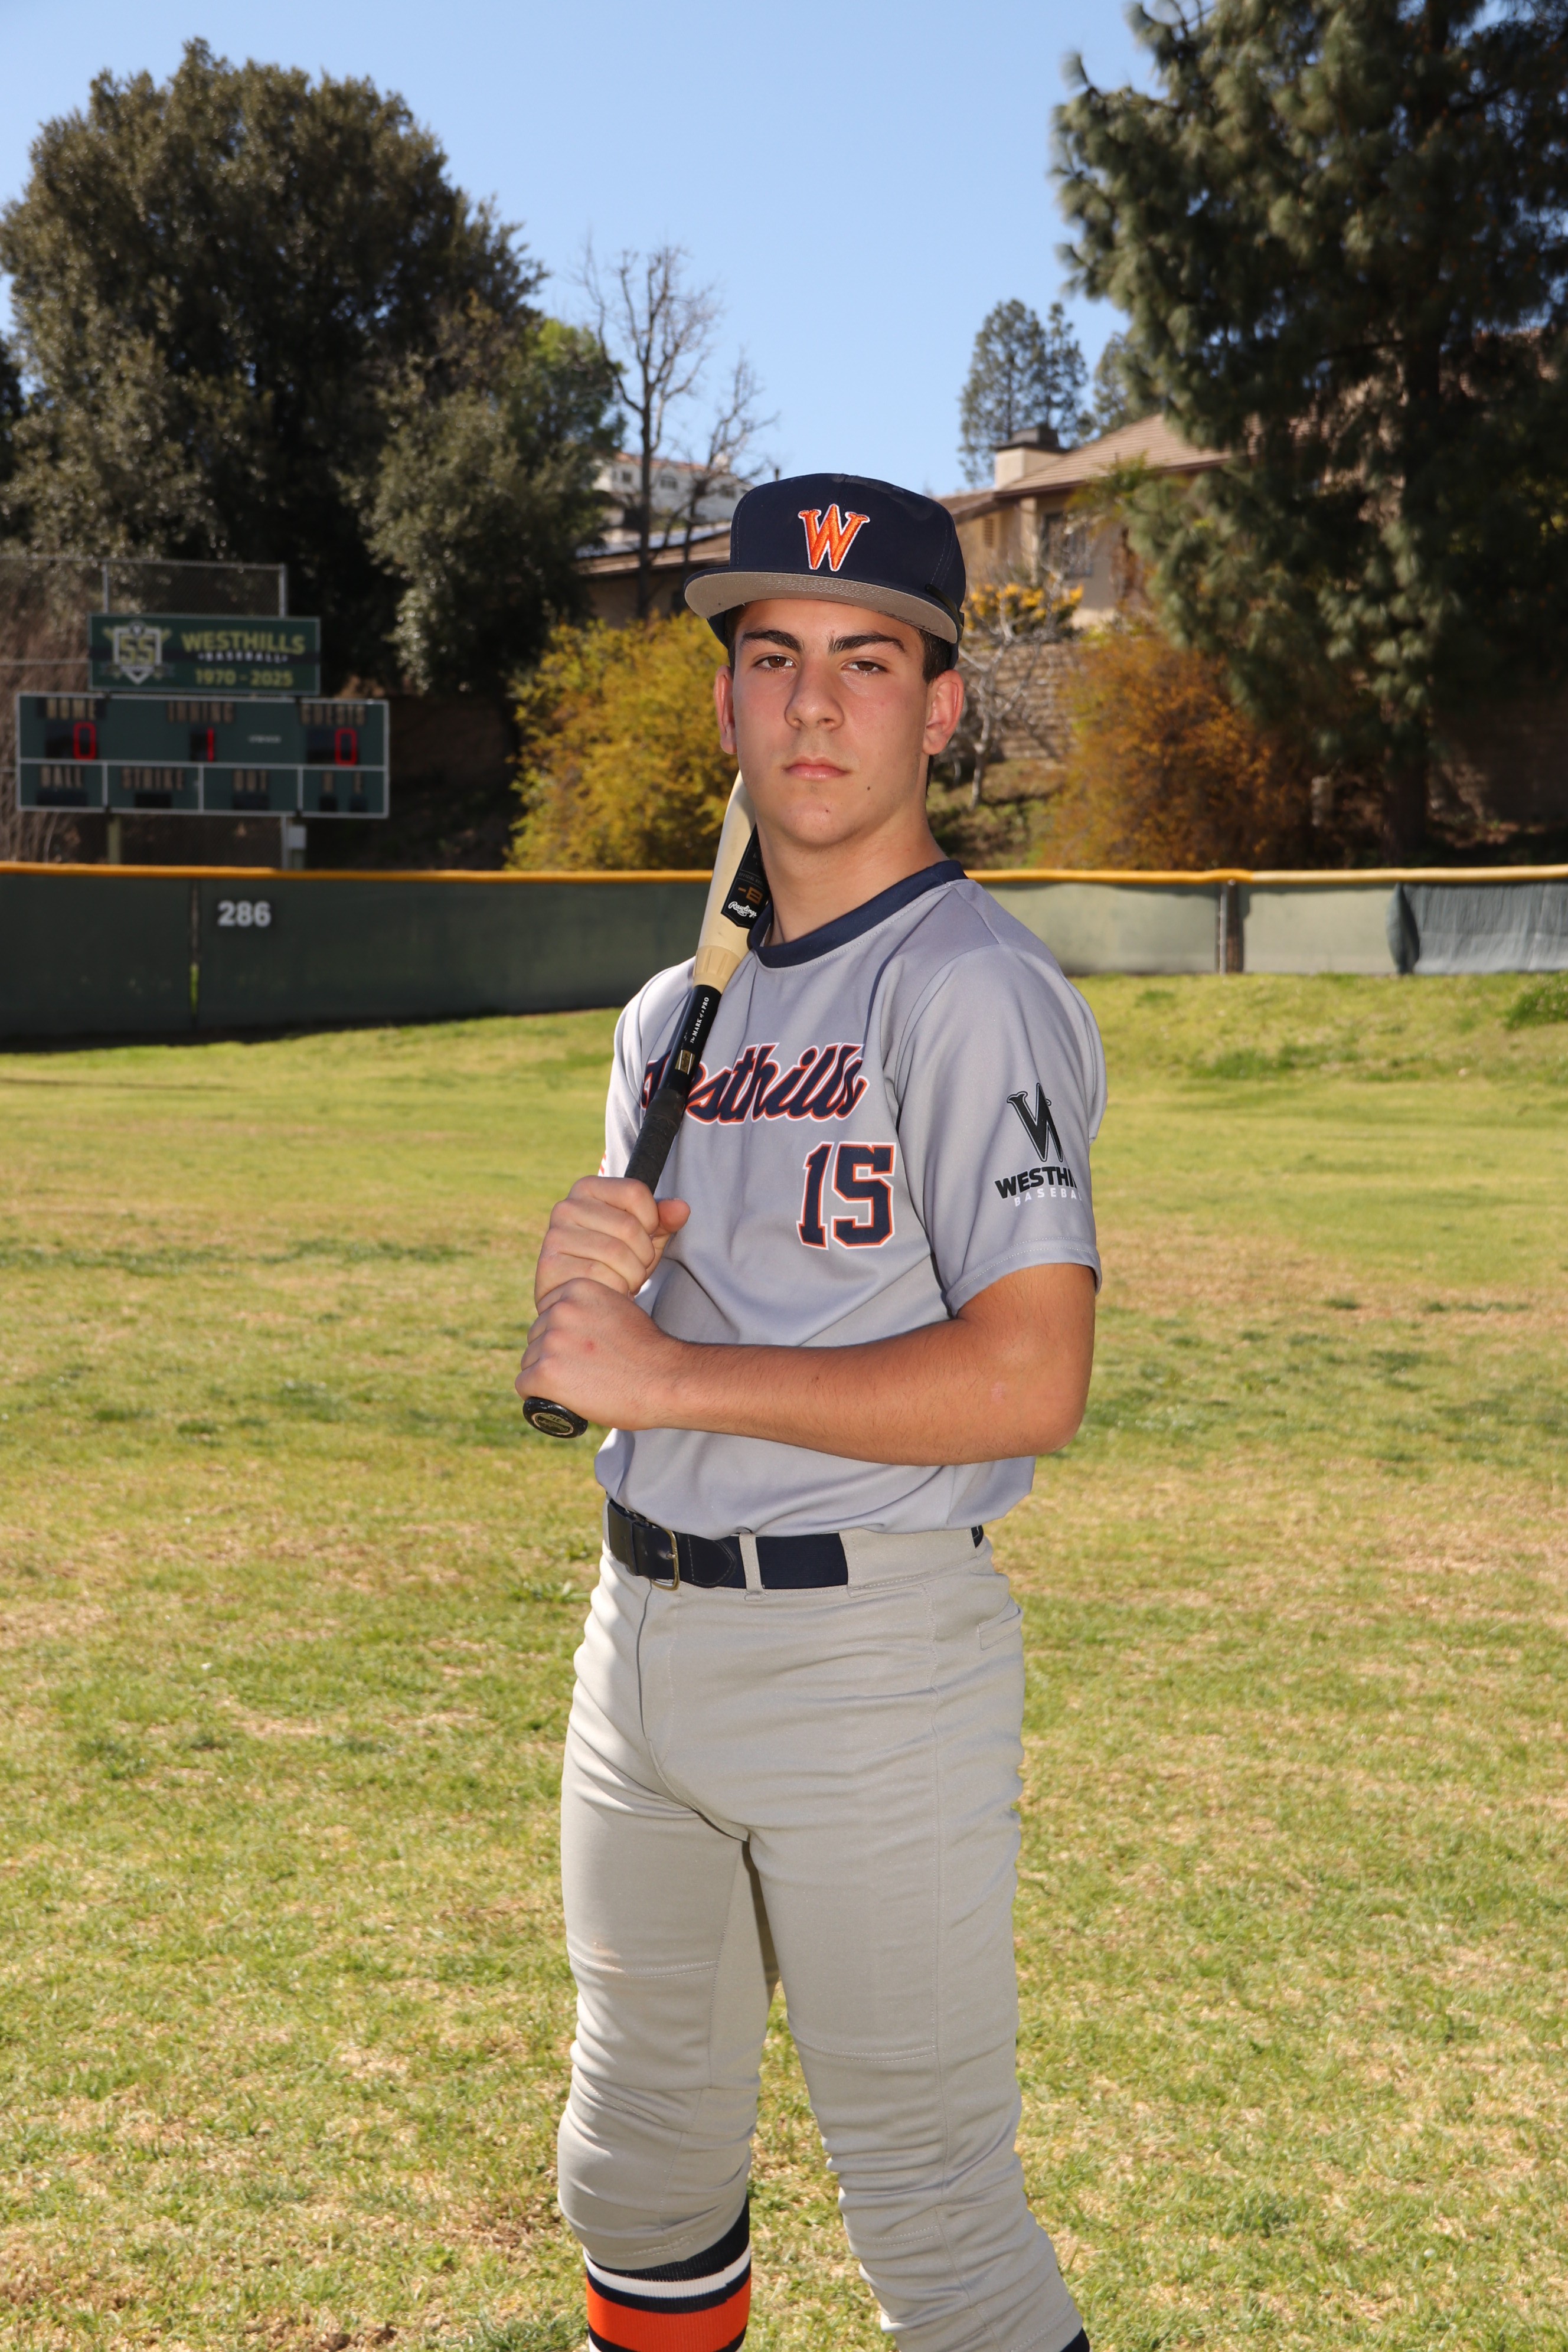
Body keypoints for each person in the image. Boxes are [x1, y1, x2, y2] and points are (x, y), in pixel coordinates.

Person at [518, 473, 1105, 2352]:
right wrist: (593, 1287)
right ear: (726, 703)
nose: (816, 704)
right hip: (640, 1644)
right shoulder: (667, 1019)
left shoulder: (972, 989)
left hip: (868, 1661)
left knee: (934, 2215)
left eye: (870, 660)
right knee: (634, 2172)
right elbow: (642, 1339)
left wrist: (666, 1375)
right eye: (774, 659)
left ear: (943, 707)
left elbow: (1034, 1374)